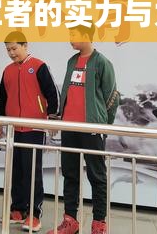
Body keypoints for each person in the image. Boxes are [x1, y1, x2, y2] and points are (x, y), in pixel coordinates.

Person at [47, 24, 119, 234]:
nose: (70, 39)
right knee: (70, 174)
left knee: (97, 176)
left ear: (87, 35)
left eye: (74, 34)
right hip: (69, 127)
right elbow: (67, 93)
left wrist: (102, 125)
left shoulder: (102, 62)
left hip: (92, 129)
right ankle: (70, 221)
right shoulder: (72, 61)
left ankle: (99, 224)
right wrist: (60, 117)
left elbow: (112, 97)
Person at [0, 31, 59, 232]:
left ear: (25, 46)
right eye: (8, 50)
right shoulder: (7, 71)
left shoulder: (39, 66)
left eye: (14, 48)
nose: (11, 53)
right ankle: (18, 210)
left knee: (32, 172)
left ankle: (34, 214)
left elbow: (53, 94)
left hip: (34, 128)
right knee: (16, 170)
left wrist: (52, 119)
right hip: (14, 129)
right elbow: (3, 99)